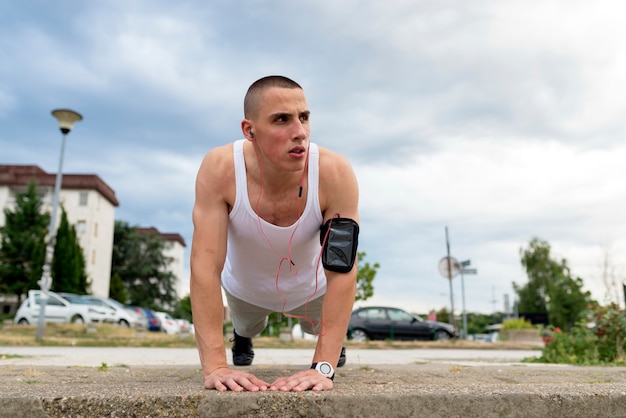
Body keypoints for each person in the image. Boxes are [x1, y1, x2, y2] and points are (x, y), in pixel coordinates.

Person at [190, 75, 360, 392]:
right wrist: (215, 367)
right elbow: (205, 267)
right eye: (282, 119)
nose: (300, 132)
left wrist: (323, 368)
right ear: (249, 130)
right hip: (246, 291)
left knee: (328, 334)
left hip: (312, 289)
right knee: (248, 325)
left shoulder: (334, 172)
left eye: (304, 118)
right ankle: (242, 338)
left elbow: (343, 270)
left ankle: (332, 347)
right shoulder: (220, 168)